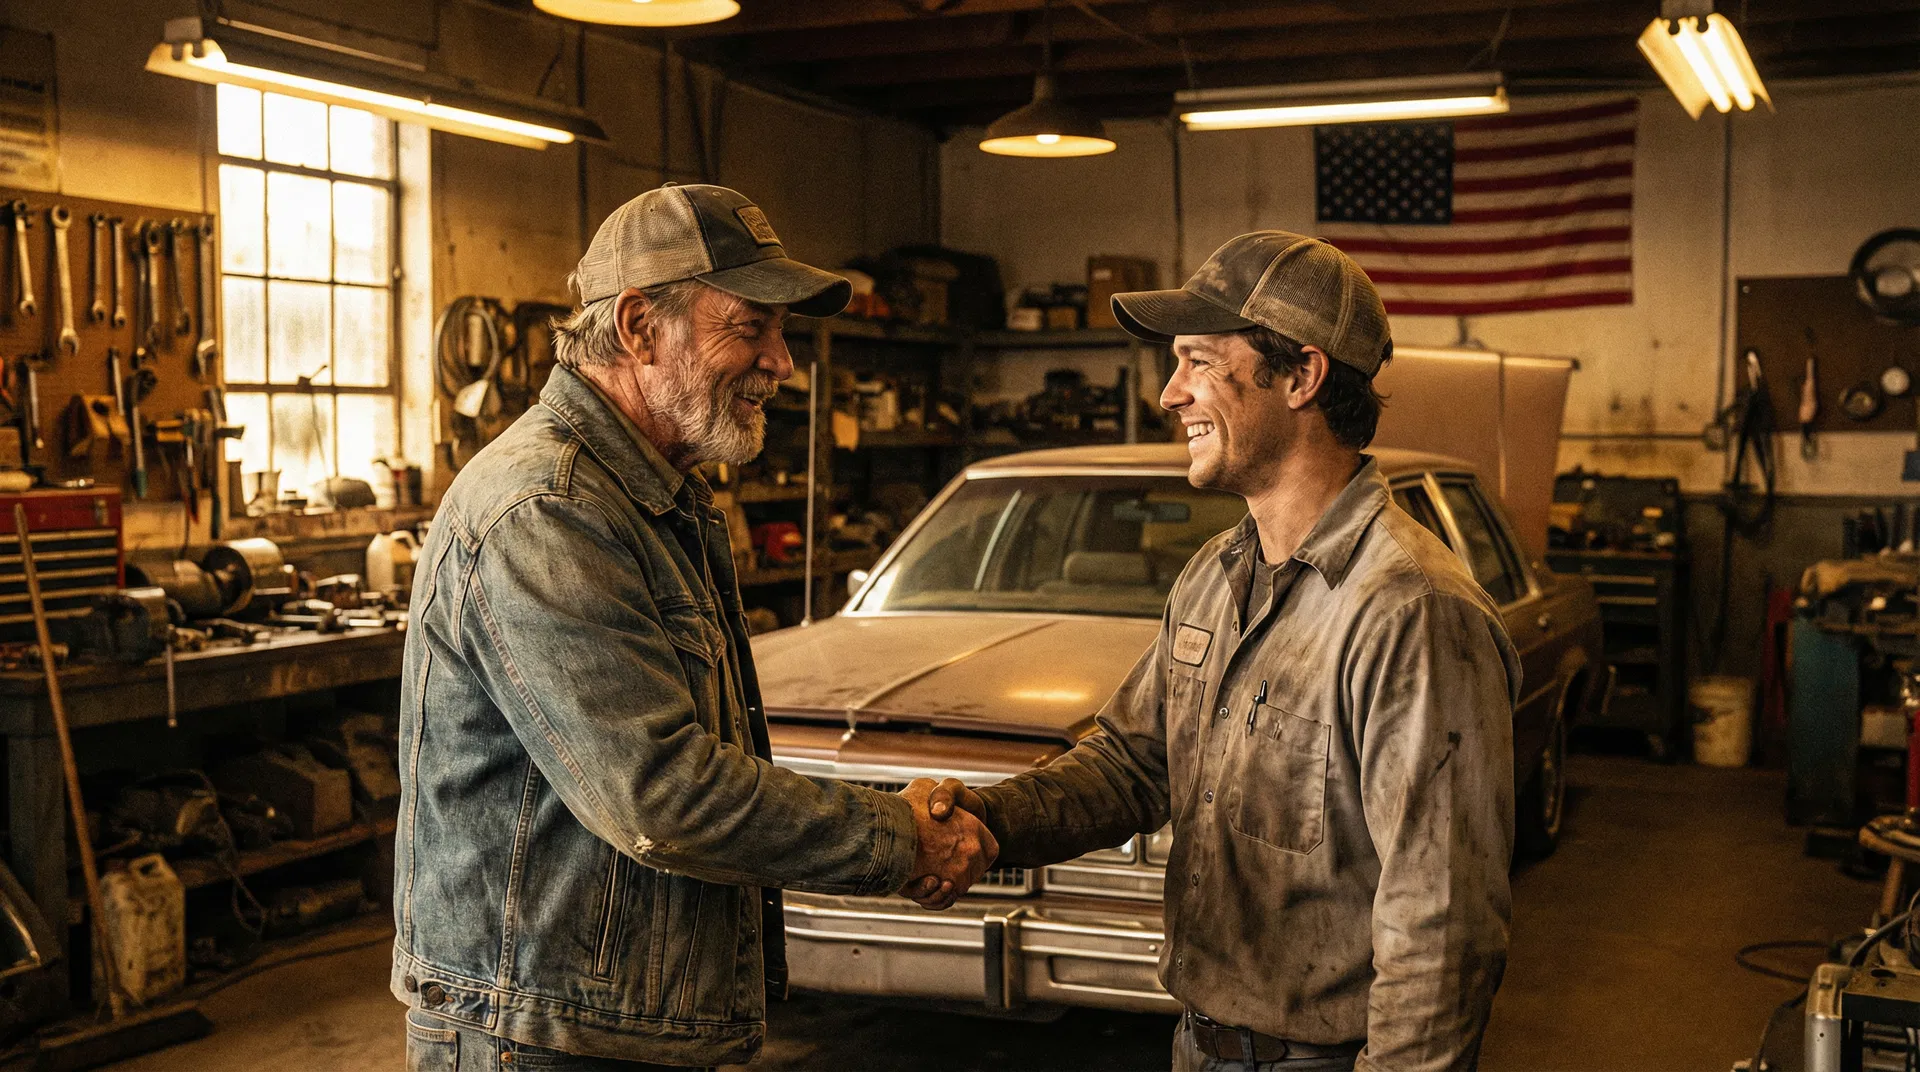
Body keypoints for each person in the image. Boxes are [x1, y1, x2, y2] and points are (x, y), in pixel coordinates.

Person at [392, 183, 996, 1071]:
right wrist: (900, 835)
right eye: (750, 328)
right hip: (534, 1034)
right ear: (639, 328)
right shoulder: (546, 510)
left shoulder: (655, 495)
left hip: (605, 1015)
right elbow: (660, 793)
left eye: (780, 333)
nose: (781, 363)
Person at [923, 232, 1521, 1071]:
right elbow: (1136, 764)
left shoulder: (1409, 612)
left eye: (1199, 361)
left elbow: (1444, 932)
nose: (1170, 394)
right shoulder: (1216, 575)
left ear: (1303, 376)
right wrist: (987, 822)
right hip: (1201, 1044)